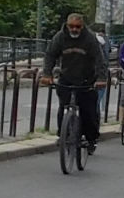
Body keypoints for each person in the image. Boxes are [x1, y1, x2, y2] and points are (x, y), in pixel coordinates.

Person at [43, 10, 105, 148]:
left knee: (88, 111)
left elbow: (100, 59)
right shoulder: (60, 37)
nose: (74, 29)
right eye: (71, 26)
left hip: (86, 79)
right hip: (66, 77)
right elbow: (50, 55)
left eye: (78, 27)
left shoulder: (89, 38)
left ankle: (90, 139)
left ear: (82, 27)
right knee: (63, 107)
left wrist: (101, 78)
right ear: (67, 25)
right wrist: (47, 74)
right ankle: (62, 135)